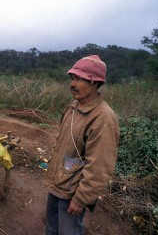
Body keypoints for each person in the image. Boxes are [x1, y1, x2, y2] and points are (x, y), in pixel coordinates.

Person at [45, 55, 120, 235]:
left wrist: (81, 199)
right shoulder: (73, 107)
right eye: (72, 78)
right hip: (58, 184)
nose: (72, 84)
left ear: (95, 83)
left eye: (79, 79)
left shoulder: (103, 118)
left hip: (73, 191)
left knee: (68, 232)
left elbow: (100, 167)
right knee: (51, 227)